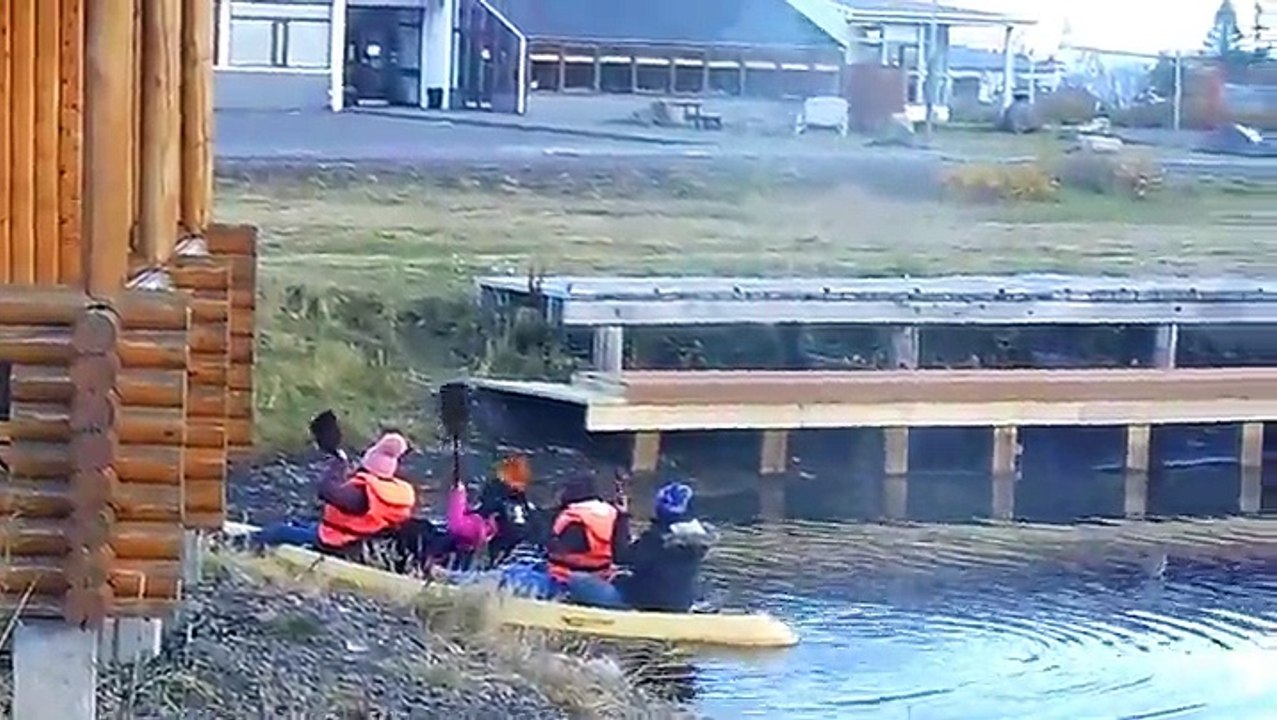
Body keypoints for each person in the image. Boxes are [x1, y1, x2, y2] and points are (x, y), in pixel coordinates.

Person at [251, 409, 351, 548]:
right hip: (330, 527)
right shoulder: (345, 465)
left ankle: (237, 544)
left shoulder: (338, 467)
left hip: (331, 534)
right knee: (293, 523)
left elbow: (328, 492)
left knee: (279, 531)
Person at [316, 431, 418, 560]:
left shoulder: (362, 493)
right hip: (372, 543)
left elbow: (326, 490)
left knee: (284, 531)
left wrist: (340, 463)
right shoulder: (396, 491)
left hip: (343, 545)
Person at [617, 482, 718, 613]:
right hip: (682, 603)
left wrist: (622, 517)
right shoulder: (701, 536)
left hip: (647, 603)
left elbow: (623, 558)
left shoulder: (655, 538)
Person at [546, 474, 631, 609]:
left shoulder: (570, 516)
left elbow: (554, 548)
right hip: (601, 578)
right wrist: (624, 516)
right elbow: (622, 553)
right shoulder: (613, 513)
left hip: (565, 579)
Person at [447, 455, 545, 567]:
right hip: (533, 560)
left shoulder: (494, 500)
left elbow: (461, 526)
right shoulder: (531, 509)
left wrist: (458, 494)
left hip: (506, 562)